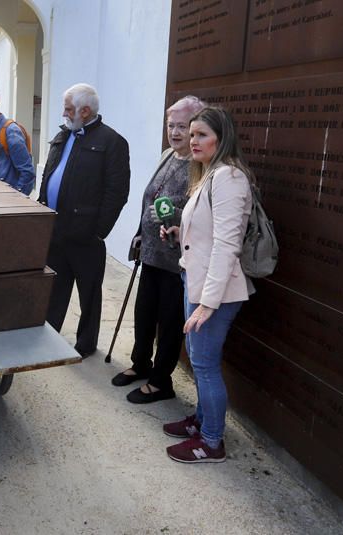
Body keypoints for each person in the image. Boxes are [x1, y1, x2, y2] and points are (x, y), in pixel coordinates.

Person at [160, 106, 254, 463]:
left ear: (222, 137)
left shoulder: (229, 177)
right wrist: (178, 232)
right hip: (197, 282)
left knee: (205, 365)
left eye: (201, 135)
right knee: (200, 360)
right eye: (191, 133)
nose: (191, 140)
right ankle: (201, 421)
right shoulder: (210, 175)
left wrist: (207, 303)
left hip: (216, 293)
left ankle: (212, 441)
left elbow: (227, 245)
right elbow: (206, 233)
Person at [112, 96, 206, 403]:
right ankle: (141, 364)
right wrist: (141, 233)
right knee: (143, 315)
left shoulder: (200, 165)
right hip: (151, 253)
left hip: (177, 261)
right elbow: (151, 198)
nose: (175, 133)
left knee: (168, 323)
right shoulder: (168, 155)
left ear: (196, 127)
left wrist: (174, 216)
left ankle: (160, 381)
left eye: (182, 126)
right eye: (171, 125)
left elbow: (199, 213)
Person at [38, 83, 130, 358]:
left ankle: (86, 344)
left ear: (85, 110)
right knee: (55, 286)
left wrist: (99, 230)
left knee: (89, 291)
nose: (64, 113)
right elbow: (50, 174)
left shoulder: (112, 142)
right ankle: (49, 336)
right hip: (56, 229)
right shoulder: (63, 135)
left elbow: (117, 192)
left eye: (68, 108)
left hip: (86, 234)